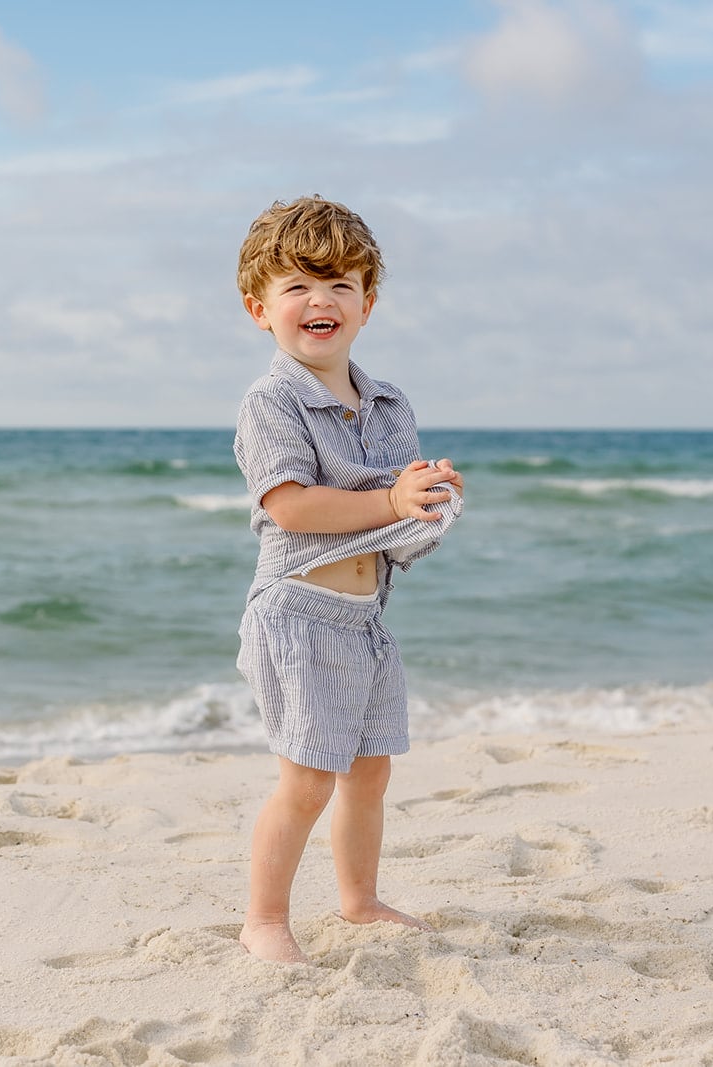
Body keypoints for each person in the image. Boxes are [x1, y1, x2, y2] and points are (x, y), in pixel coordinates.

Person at [232, 196, 464, 963]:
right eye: (296, 285)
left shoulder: (389, 402)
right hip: (298, 614)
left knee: (370, 771)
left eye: (339, 284)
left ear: (367, 302)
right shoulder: (271, 402)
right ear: (258, 307)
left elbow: (394, 519)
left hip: (364, 620)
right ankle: (264, 919)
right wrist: (391, 499)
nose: (319, 300)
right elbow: (293, 507)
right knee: (307, 778)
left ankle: (359, 901)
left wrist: (427, 499)